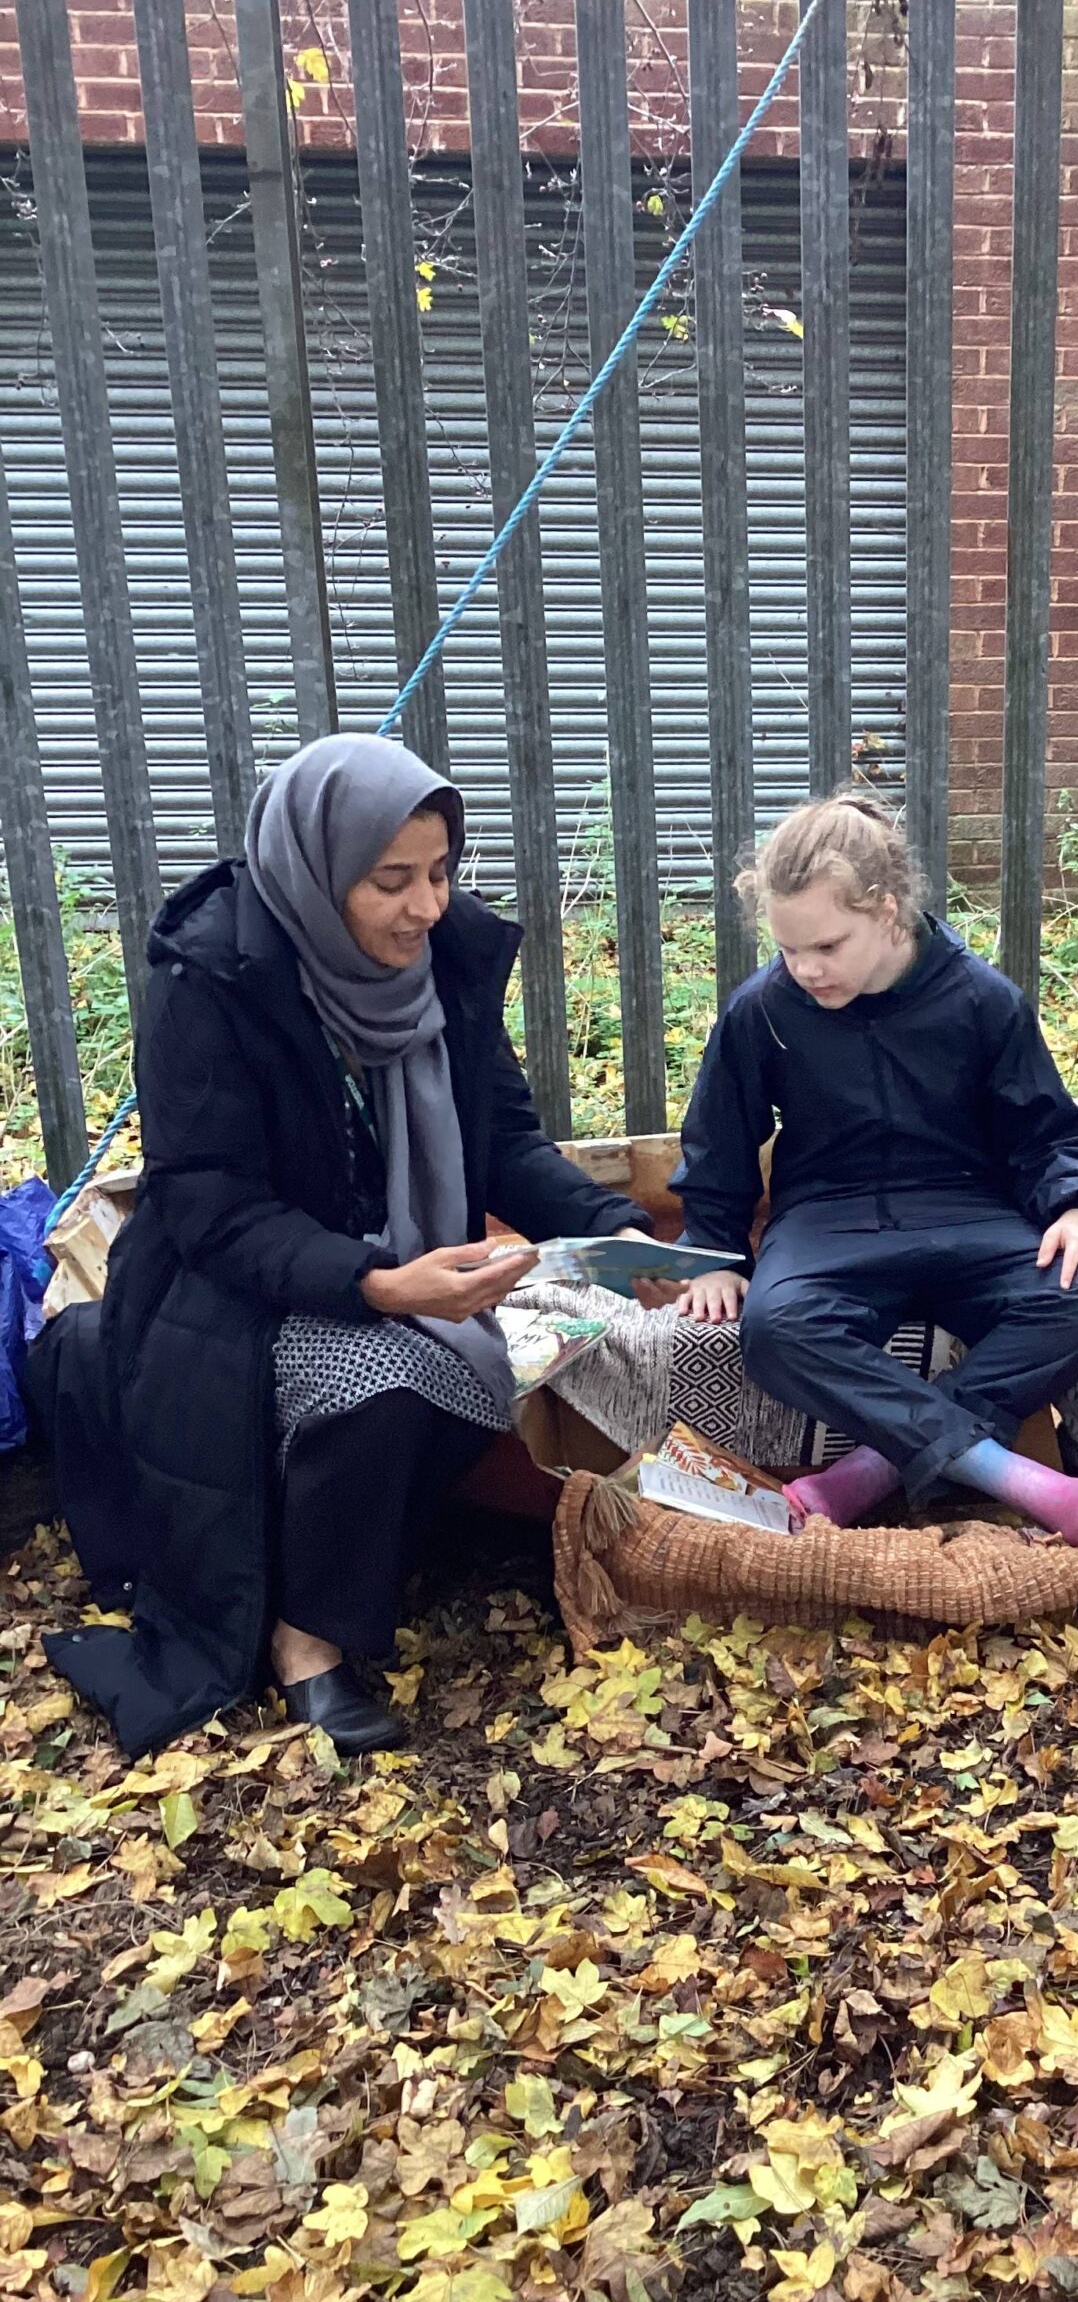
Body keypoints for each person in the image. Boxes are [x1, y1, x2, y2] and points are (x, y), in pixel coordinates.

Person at [29, 734, 652, 1759]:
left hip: (396, 1266)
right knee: (389, 1380)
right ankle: (305, 1639)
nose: (428, 906)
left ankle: (344, 1547)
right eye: (391, 880)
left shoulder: (444, 962)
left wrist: (613, 1227)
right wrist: (378, 1283)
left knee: (486, 1365)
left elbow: (501, 1139)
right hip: (226, 1298)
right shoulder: (215, 979)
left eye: (441, 872)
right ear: (317, 875)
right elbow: (210, 1206)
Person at [671, 791, 1078, 1542]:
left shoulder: (983, 999)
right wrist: (715, 1255)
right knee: (775, 1328)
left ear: (886, 910)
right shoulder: (762, 1009)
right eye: (788, 949)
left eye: (828, 946)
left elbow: (1048, 1130)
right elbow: (718, 1141)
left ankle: (871, 1471)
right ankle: (1012, 1477)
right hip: (828, 1224)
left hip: (971, 1216)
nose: (806, 969)